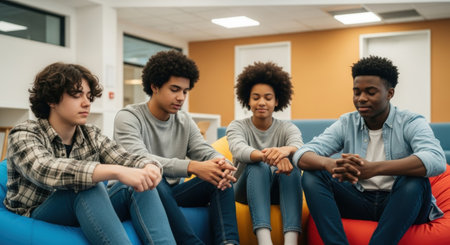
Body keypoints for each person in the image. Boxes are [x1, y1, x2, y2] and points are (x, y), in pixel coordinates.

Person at [4, 62, 175, 245]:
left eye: (88, 96)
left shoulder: (90, 133)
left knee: (141, 185)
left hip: (85, 209)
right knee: (87, 186)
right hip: (38, 214)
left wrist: (148, 166)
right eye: (76, 95)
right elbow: (44, 169)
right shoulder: (25, 133)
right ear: (51, 100)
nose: (86, 103)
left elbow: (124, 157)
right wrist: (116, 171)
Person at [294, 56, 447, 245]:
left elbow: (436, 159)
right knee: (312, 175)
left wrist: (375, 168)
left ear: (389, 93)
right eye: (356, 92)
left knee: (413, 181)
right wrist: (329, 163)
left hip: (400, 203)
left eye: (370, 92)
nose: (361, 99)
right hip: (358, 198)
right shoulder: (347, 122)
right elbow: (303, 153)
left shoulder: (410, 121)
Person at [114, 50, 239, 245]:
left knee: (219, 178)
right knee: (153, 176)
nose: (181, 97)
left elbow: (203, 150)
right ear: (155, 86)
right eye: (174, 89)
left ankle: (229, 243)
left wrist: (221, 163)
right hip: (137, 191)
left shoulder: (184, 120)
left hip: (171, 193)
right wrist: (192, 166)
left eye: (185, 91)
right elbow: (139, 159)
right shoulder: (128, 117)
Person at [226, 62, 303, 245]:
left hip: (279, 190)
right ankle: (264, 241)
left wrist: (285, 152)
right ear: (248, 100)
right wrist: (271, 158)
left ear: (277, 101)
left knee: (290, 168)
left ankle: (291, 241)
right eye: (256, 97)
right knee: (257, 165)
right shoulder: (237, 126)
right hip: (244, 190)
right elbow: (239, 149)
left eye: (268, 98)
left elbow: (299, 147)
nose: (261, 102)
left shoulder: (287, 128)